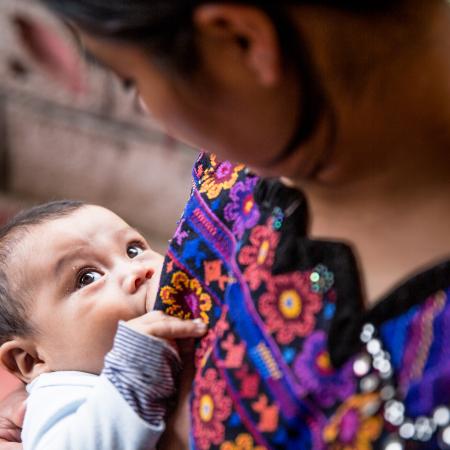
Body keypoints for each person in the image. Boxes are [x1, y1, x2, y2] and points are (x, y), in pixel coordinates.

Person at [2, 0, 450, 448]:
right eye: (87, 277)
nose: (137, 269)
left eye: (132, 79)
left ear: (240, 40)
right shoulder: (232, 173)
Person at [0, 200, 207, 450]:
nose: (137, 271)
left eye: (134, 250)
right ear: (32, 359)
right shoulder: (60, 393)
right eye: (88, 278)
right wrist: (131, 371)